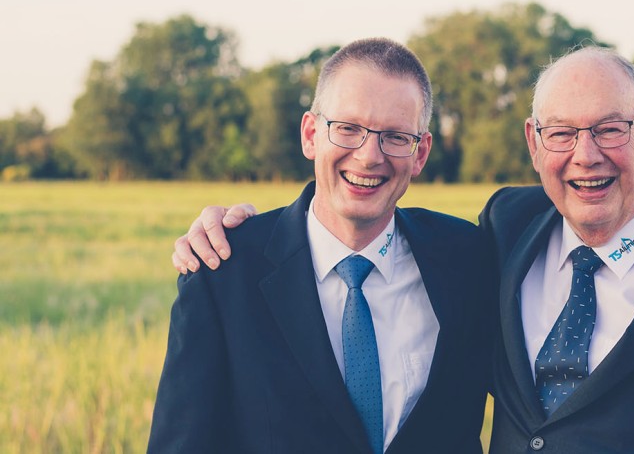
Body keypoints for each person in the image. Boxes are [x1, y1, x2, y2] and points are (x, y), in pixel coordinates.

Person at [175, 47, 634, 453]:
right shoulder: (501, 234)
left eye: (609, 129)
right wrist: (236, 230)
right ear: (534, 143)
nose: (585, 155)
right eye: (561, 133)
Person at [150, 38, 494, 454]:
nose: (369, 156)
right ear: (311, 134)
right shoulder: (222, 271)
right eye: (348, 129)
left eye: (395, 136)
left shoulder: (468, 257)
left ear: (420, 153)